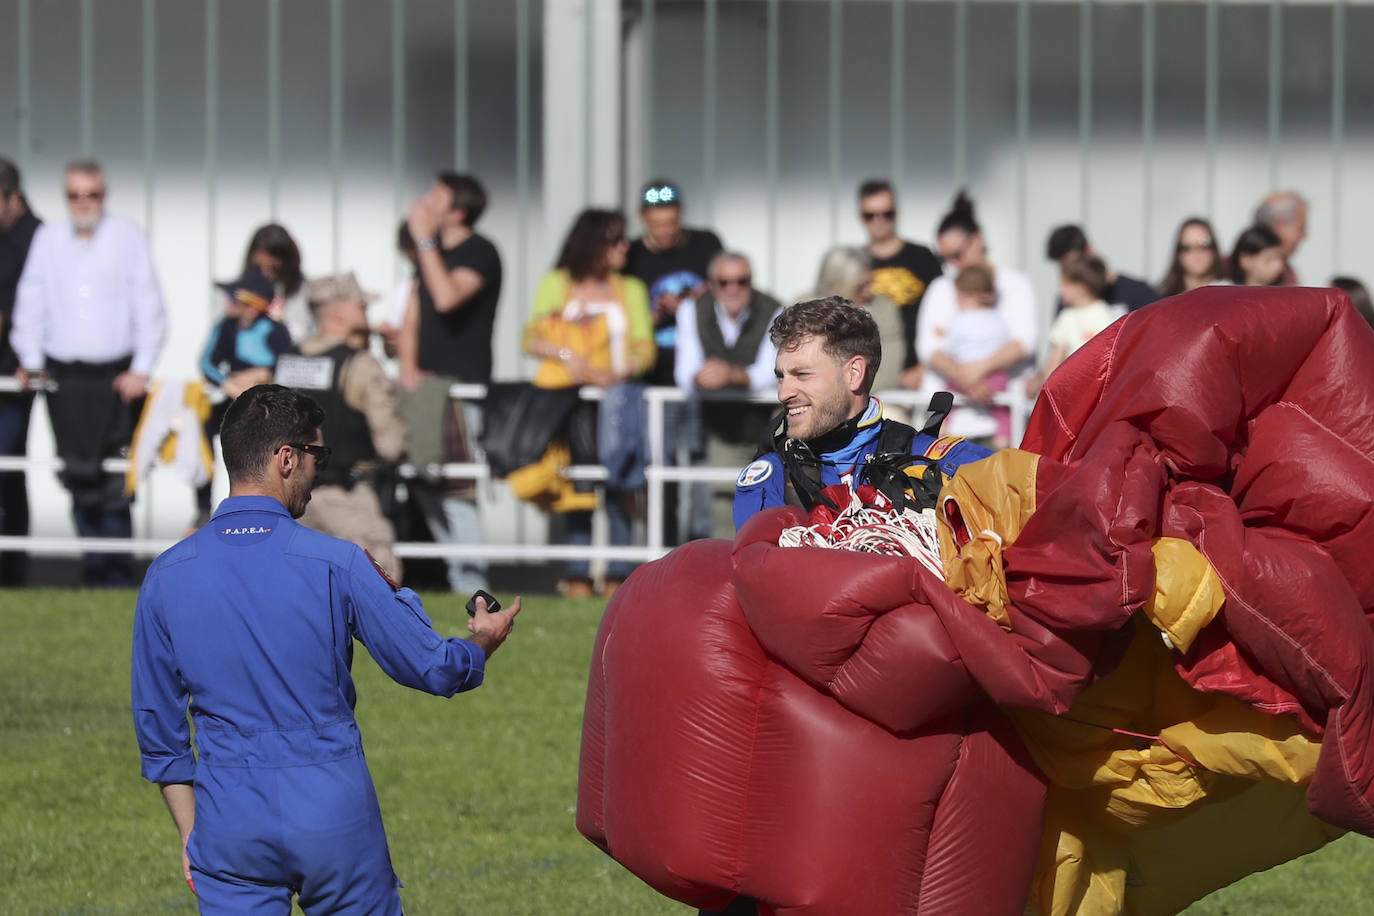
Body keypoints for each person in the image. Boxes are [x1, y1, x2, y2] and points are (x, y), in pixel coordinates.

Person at [131, 383, 520, 915]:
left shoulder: (166, 575)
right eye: (319, 455)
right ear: (286, 458)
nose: (319, 474)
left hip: (228, 819)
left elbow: (160, 733)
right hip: (332, 811)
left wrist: (192, 832)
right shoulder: (338, 562)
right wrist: (484, 640)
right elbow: (434, 668)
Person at [11, 158, 166, 586]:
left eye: (91, 194)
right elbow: (31, 303)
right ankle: (95, 571)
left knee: (115, 480)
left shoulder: (126, 235)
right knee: (76, 475)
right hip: (65, 378)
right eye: (74, 195)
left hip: (117, 380)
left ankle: (118, 575)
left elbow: (149, 307)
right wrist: (32, 361)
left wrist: (141, 368)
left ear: (104, 194)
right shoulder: (49, 237)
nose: (83, 202)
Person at [733, 296, 990, 531]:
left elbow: (1025, 485)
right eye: (781, 377)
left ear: (853, 374)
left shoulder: (928, 457)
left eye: (802, 375)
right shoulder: (773, 477)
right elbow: (760, 569)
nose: (783, 393)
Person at [525, 208, 655, 597]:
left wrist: (621, 371)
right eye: (616, 240)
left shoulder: (630, 288)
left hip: (617, 402)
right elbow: (531, 336)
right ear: (594, 243)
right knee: (576, 486)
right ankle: (577, 575)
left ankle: (618, 575)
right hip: (571, 400)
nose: (624, 247)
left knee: (619, 487)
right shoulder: (556, 284)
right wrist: (571, 361)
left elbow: (645, 346)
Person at [398, 171, 502, 595]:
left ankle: (471, 585)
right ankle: (456, 574)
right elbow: (412, 315)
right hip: (424, 392)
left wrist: (424, 241)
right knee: (424, 481)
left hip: (462, 393)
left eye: (435, 197)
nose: (423, 203)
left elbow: (446, 297)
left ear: (458, 211)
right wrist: (406, 368)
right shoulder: (430, 254)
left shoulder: (481, 253)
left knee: (458, 488)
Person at [275, 272, 407, 581]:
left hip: (290, 496)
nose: (367, 312)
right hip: (347, 497)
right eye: (361, 305)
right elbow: (392, 444)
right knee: (379, 580)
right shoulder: (358, 364)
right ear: (339, 312)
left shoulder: (286, 360)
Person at [624, 179, 723, 545]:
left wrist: (698, 301)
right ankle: (661, 550)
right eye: (657, 224)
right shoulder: (633, 256)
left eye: (671, 223)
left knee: (699, 467)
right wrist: (655, 313)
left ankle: (701, 546)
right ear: (643, 218)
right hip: (653, 380)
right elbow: (624, 321)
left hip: (698, 379)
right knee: (658, 470)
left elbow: (727, 293)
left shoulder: (705, 245)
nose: (665, 232)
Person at [674, 251, 782, 540]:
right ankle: (721, 572)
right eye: (724, 282)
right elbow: (685, 372)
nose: (733, 288)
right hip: (714, 426)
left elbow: (770, 372)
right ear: (711, 284)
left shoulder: (773, 309)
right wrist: (704, 376)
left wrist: (730, 375)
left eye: (741, 281)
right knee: (719, 501)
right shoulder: (691, 309)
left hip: (763, 426)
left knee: (766, 504)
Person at [915, 191, 1038, 416]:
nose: (953, 264)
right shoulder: (940, 289)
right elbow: (929, 348)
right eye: (945, 258)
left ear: (978, 240)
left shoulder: (1016, 284)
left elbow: (1024, 342)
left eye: (957, 254)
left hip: (1006, 412)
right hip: (951, 418)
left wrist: (978, 370)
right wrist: (963, 377)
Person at [195, 267, 293, 526]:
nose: (227, 302)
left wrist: (261, 376)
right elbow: (206, 362)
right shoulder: (226, 327)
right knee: (203, 427)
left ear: (252, 306)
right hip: (233, 401)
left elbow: (286, 366)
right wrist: (228, 383)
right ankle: (203, 506)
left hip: (267, 405)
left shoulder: (275, 330)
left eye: (234, 298)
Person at [856, 179, 943, 388]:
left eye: (887, 213)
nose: (879, 220)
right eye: (870, 215)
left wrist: (927, 368)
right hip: (872, 379)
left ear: (897, 213)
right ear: (860, 217)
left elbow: (944, 314)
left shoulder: (922, 257)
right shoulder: (855, 264)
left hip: (923, 375)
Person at [0, 157, 40, 585]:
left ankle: (13, 574)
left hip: (15, 378)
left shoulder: (38, 238)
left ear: (13, 197)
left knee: (8, 468)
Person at [936, 265, 1013, 447]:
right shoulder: (998, 319)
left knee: (946, 397)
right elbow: (1004, 343)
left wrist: (942, 334)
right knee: (1002, 410)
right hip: (994, 376)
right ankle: (1003, 439)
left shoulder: (959, 321)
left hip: (964, 373)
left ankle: (942, 429)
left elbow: (949, 348)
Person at [1044, 224, 1160, 311]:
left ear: (1089, 250)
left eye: (1074, 262)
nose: (1070, 271)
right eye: (1063, 268)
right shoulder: (1066, 302)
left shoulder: (1137, 292)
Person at [1043, 253, 1120, 377]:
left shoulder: (1104, 316)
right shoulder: (1066, 317)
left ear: (1082, 287)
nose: (1060, 290)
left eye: (1065, 284)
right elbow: (1053, 364)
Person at [241, 224, 307, 341]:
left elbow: (303, 333)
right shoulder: (241, 291)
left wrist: (278, 322)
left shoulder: (304, 290)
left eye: (274, 267)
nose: (265, 274)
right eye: (258, 267)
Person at [1158, 217, 1224, 297]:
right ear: (1178, 254)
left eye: (1204, 245)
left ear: (1214, 250)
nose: (1196, 253)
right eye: (1187, 247)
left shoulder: (1229, 293)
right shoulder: (1161, 299)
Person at [1252, 191, 1307, 286]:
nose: (1304, 235)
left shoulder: (1287, 272)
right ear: (1279, 224)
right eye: (1301, 228)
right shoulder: (1226, 275)